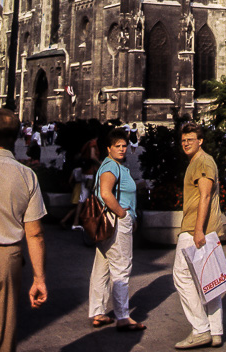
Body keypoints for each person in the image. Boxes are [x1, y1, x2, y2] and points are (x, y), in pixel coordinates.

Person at [0, 108, 48, 352]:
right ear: (16, 138)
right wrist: (39, 278)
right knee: (0, 336)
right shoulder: (26, 175)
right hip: (4, 260)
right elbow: (35, 233)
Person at [87, 127, 144, 331]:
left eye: (124, 145)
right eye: (117, 146)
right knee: (121, 268)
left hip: (110, 223)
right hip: (116, 222)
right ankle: (122, 316)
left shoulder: (113, 165)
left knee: (102, 268)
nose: (121, 149)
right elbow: (105, 193)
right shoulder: (111, 167)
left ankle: (98, 312)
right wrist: (123, 213)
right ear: (108, 149)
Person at [173, 122, 224, 349]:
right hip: (203, 228)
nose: (185, 143)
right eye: (183, 140)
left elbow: (204, 196)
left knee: (181, 276)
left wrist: (198, 230)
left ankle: (201, 329)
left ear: (200, 141)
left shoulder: (202, 162)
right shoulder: (200, 161)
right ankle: (216, 331)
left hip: (196, 228)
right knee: (208, 279)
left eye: (190, 139)